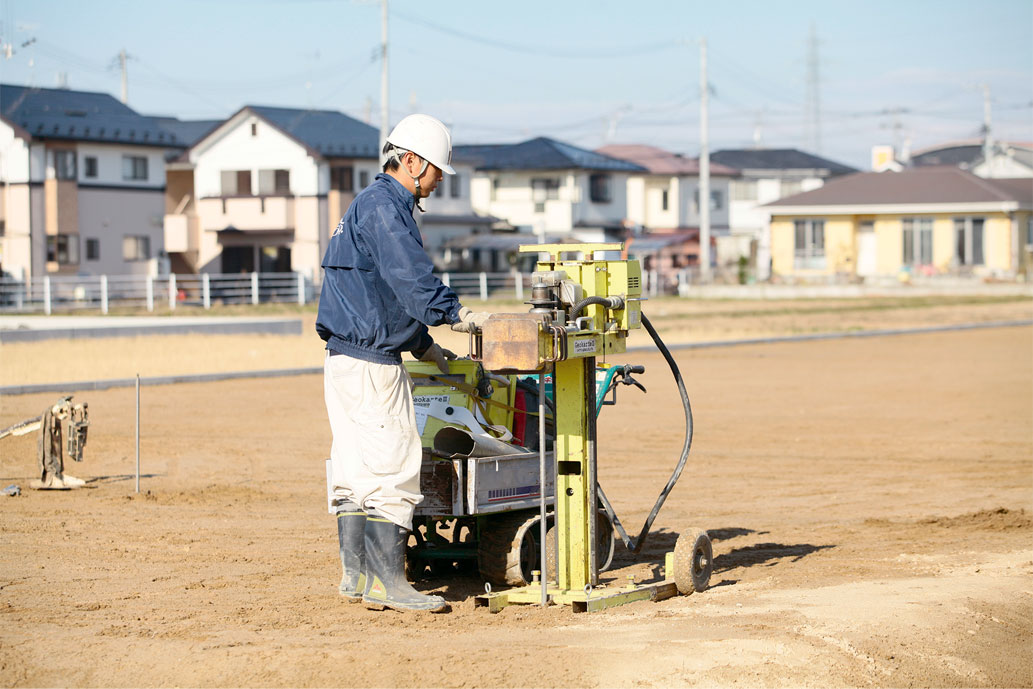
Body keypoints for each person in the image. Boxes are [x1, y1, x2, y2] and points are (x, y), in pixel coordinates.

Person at [316, 113, 489, 612]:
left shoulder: (363, 207)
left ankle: (356, 577)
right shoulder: (387, 211)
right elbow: (412, 281)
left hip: (343, 360)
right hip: (371, 366)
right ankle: (389, 584)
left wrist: (427, 347)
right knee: (394, 464)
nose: (437, 181)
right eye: (436, 170)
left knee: (354, 467)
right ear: (411, 161)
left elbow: (380, 297)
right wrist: (454, 315)